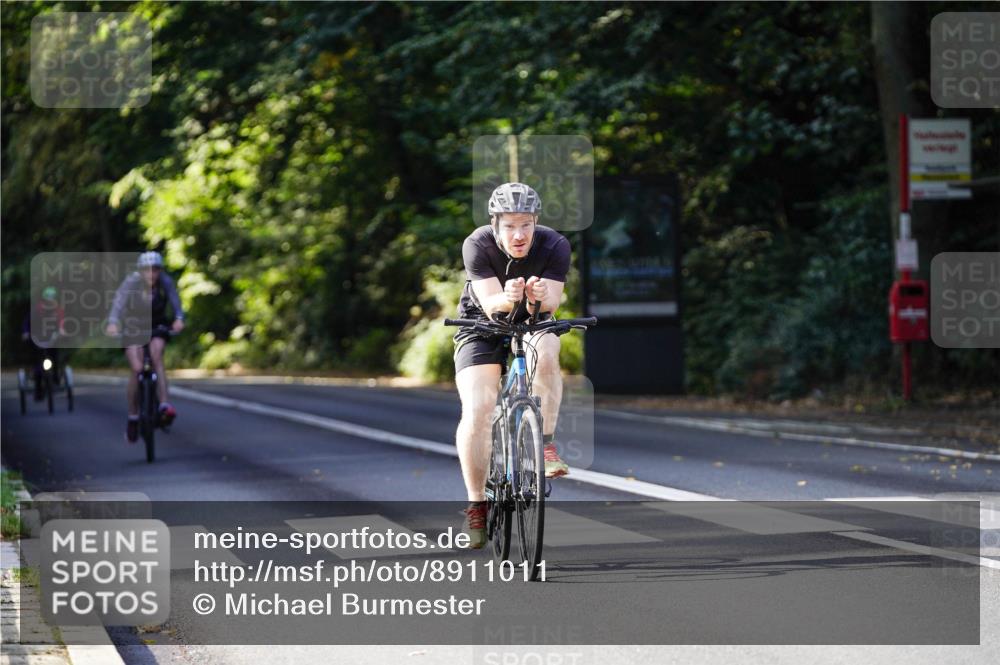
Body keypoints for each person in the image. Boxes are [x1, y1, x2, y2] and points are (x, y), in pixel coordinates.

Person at [454, 182, 571, 548]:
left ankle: (546, 444)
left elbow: (552, 299)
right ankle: (477, 504)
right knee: (479, 407)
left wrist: (538, 299)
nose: (518, 234)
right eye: (509, 225)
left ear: (536, 222)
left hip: (532, 320)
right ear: (495, 224)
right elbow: (491, 304)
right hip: (482, 324)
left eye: (525, 224)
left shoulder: (555, 245)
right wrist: (507, 298)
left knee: (548, 350)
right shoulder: (477, 244)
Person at [105, 251, 185, 443]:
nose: (152, 274)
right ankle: (133, 417)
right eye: (147, 270)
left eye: (156, 270)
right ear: (140, 271)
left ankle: (164, 405)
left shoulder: (165, 282)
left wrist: (179, 319)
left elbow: (175, 302)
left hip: (157, 326)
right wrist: (113, 322)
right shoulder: (131, 283)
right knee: (137, 368)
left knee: (157, 358)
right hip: (133, 328)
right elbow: (118, 303)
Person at [22, 286, 65, 400]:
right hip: (38, 339)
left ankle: (55, 378)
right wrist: (26, 333)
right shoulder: (37, 309)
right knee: (38, 362)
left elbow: (61, 322)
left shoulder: (58, 310)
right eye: (48, 298)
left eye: (53, 298)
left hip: (52, 338)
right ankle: (38, 388)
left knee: (55, 357)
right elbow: (27, 322)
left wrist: (61, 330)